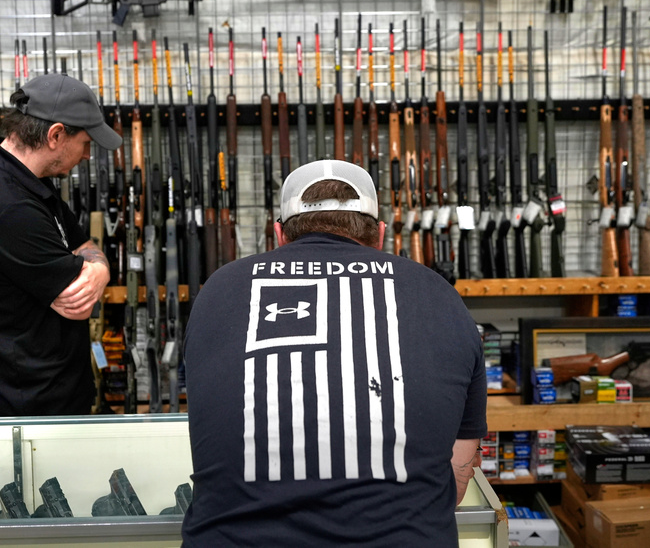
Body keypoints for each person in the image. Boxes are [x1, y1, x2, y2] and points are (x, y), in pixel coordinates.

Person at [183, 159, 487, 547]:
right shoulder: (440, 296)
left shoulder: (219, 291)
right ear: (380, 235)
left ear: (279, 234)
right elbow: (456, 483)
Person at [0, 73, 121, 417]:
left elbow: (85, 245)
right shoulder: (9, 207)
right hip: (23, 414)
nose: (88, 155)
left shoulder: (23, 180)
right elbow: (80, 300)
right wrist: (95, 269)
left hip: (42, 400)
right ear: (56, 135)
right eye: (85, 143)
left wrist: (99, 270)